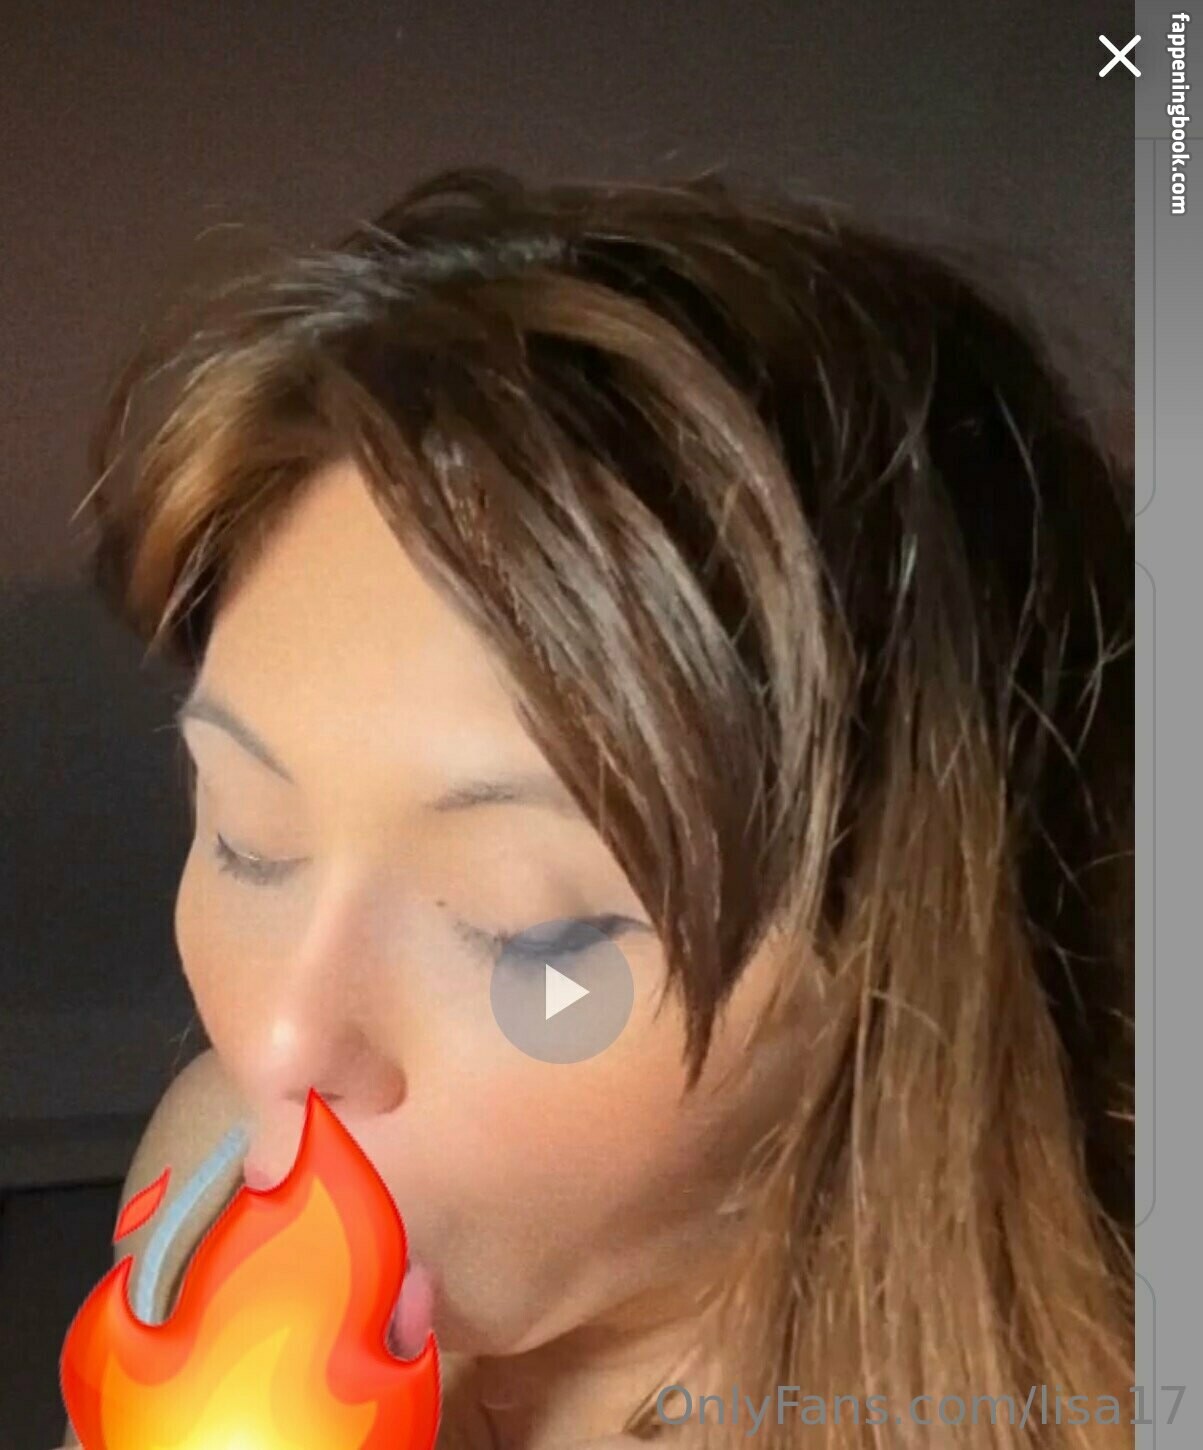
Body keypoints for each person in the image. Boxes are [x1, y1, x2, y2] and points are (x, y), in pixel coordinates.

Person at [62, 167, 1133, 1448]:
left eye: (531, 931)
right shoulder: (205, 1173)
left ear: (898, 967)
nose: (278, 1044)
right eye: (247, 837)